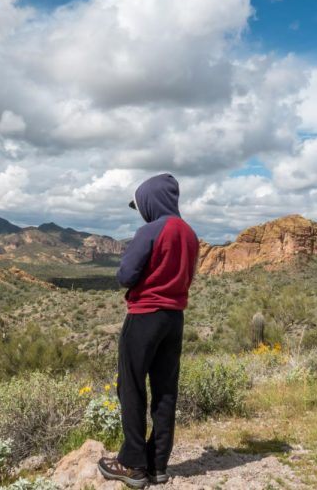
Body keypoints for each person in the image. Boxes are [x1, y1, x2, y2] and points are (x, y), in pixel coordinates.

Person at [97, 173, 200, 488]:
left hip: (145, 316)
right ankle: (158, 465)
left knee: (131, 386)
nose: (140, 211)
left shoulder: (151, 230)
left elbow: (126, 275)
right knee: (165, 390)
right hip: (174, 318)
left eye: (140, 205)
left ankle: (131, 465)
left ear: (151, 201)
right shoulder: (190, 234)